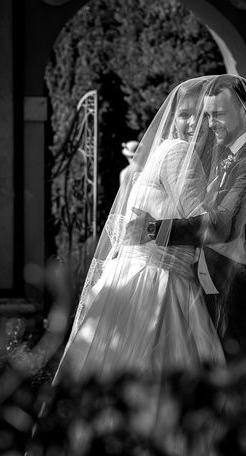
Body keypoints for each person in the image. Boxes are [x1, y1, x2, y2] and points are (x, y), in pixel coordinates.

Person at [127, 75, 246, 363]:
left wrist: (155, 229)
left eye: (218, 114)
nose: (209, 122)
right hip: (222, 287)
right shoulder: (228, 156)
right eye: (207, 115)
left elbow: (221, 225)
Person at [52, 78, 224, 383]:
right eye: (185, 114)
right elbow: (207, 226)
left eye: (202, 114)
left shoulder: (163, 151)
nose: (194, 122)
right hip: (160, 282)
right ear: (172, 119)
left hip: (132, 275)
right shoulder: (179, 153)